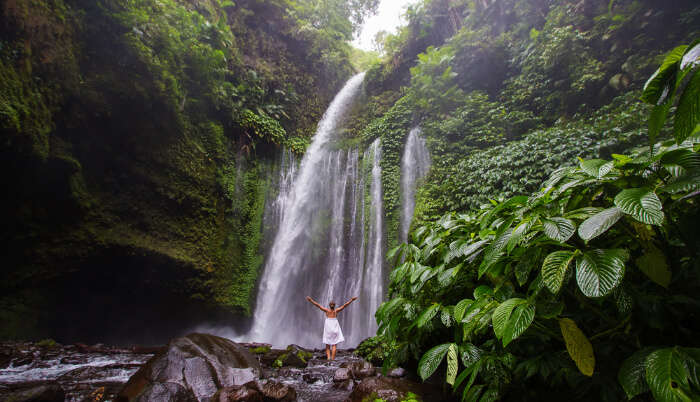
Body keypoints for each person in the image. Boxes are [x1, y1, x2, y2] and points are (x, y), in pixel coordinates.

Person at [305, 295, 358, 360]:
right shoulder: (336, 311)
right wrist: (352, 300)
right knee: (334, 344)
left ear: (329, 305)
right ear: (334, 305)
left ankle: (328, 358)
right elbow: (345, 305)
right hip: (335, 327)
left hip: (328, 328)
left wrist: (311, 300)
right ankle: (332, 359)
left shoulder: (326, 311)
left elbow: (318, 305)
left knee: (327, 344)